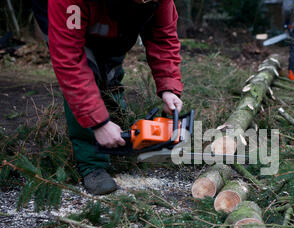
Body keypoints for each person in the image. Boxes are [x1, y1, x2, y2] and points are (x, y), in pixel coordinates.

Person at [32, 0, 184, 195]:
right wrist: (99, 123)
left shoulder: (159, 2)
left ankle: (117, 139)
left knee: (110, 72)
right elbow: (70, 61)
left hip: (115, 17)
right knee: (88, 71)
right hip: (69, 15)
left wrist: (168, 87)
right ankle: (91, 165)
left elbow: (163, 37)